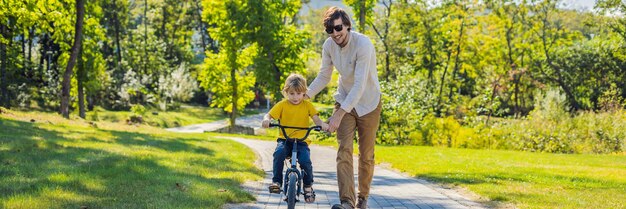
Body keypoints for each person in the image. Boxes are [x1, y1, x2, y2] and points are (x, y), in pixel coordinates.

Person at [305, 6, 382, 209]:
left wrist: (338, 114)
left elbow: (360, 85)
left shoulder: (363, 45)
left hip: (369, 103)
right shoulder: (329, 46)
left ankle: (362, 198)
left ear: (347, 25)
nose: (335, 33)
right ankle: (347, 201)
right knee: (344, 150)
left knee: (366, 155)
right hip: (345, 98)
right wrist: (306, 95)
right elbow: (324, 76)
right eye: (330, 30)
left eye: (338, 28)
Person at [261, 74, 329, 203]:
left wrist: (323, 125)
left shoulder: (307, 105)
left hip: (301, 141)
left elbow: (316, 119)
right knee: (278, 153)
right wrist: (266, 120)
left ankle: (308, 186)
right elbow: (269, 115)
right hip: (285, 139)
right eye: (291, 93)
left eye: (299, 93)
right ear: (286, 92)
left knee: (305, 161)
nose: (295, 97)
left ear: (304, 93)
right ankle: (277, 182)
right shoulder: (282, 105)